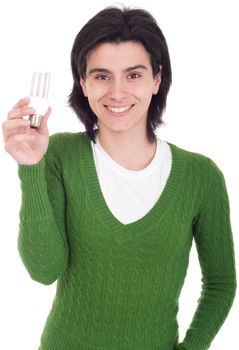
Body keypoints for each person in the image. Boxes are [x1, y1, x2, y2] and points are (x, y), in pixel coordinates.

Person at [2, 6, 237, 350]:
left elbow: (220, 283)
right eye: (101, 76)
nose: (117, 92)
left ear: (156, 79)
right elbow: (43, 269)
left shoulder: (201, 177)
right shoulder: (59, 155)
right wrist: (30, 167)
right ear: (83, 83)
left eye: (133, 75)